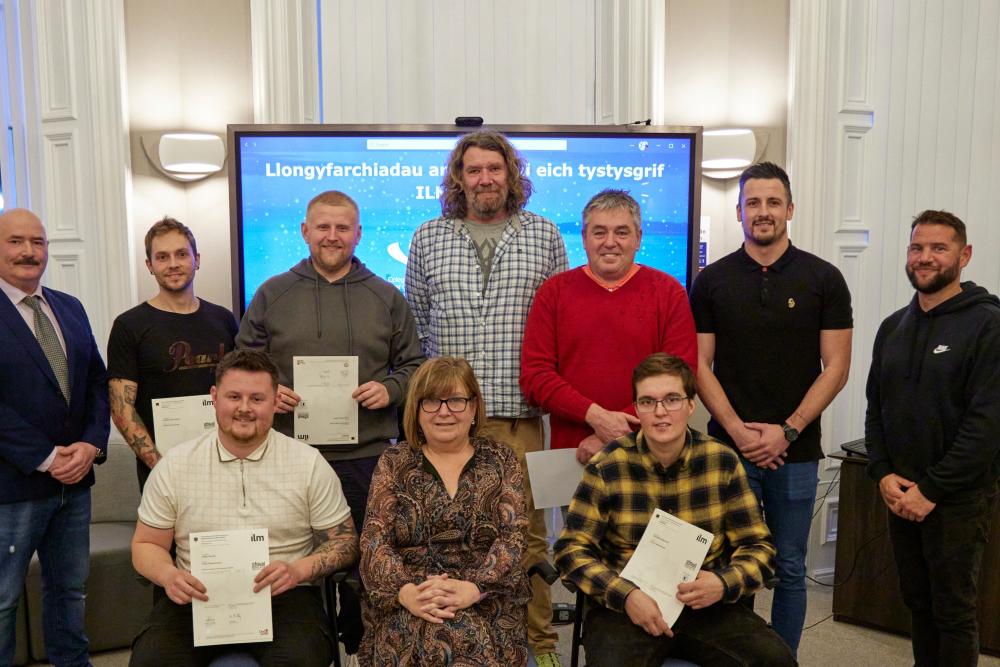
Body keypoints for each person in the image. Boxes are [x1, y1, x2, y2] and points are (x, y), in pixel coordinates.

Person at [405, 130, 567, 665]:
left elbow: (557, 326)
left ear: (511, 174)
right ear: (459, 178)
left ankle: (539, 644)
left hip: (521, 418)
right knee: (450, 537)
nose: (485, 179)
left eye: (494, 169)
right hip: (449, 422)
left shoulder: (543, 235)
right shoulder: (429, 237)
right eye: (473, 170)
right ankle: (463, 639)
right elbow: (418, 325)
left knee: (529, 537)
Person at [237, 189, 423, 652]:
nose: (332, 236)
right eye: (323, 227)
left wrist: (391, 390)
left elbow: (414, 366)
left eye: (343, 228)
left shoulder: (386, 297)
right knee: (295, 559)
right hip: (289, 456)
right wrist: (269, 391)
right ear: (305, 232)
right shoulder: (272, 293)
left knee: (367, 560)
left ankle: (365, 645)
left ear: (359, 234)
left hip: (367, 456)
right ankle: (306, 643)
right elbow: (243, 361)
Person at [689, 161, 852, 655]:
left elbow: (837, 366)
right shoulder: (711, 280)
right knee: (730, 563)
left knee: (791, 567)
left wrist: (788, 429)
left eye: (773, 202)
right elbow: (698, 364)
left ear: (790, 209)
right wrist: (738, 431)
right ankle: (739, 658)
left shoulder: (824, 278)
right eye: (753, 203)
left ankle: (781, 660)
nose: (763, 212)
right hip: (727, 451)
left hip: (796, 453)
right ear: (740, 210)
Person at [555, 354, 794, 666]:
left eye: (672, 399)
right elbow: (571, 551)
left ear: (691, 405)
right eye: (648, 402)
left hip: (704, 605)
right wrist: (626, 595)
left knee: (776, 660)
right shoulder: (608, 465)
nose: (660, 412)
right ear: (636, 409)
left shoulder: (721, 461)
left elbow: (759, 548)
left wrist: (723, 583)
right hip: (629, 608)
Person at [129, 349, 359, 666]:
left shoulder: (308, 463)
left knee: (296, 660)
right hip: (197, 594)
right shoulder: (175, 465)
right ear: (214, 397)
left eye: (257, 398)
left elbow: (345, 542)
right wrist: (168, 575)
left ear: (275, 400)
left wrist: (297, 570)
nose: (244, 409)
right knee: (152, 661)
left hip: (285, 595)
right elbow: (145, 545)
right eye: (234, 396)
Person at [865, 210, 1000, 666]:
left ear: (964, 256)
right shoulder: (892, 328)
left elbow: (987, 426)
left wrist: (932, 489)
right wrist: (882, 474)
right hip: (901, 494)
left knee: (954, 612)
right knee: (917, 605)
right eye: (916, 248)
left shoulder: (988, 325)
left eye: (938, 248)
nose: (924, 258)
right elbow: (875, 411)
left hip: (957, 500)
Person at [359, 356, 531, 666]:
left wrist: (474, 588)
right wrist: (406, 592)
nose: (444, 412)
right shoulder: (394, 462)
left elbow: (513, 538)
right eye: (431, 401)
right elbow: (374, 542)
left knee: (466, 638)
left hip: (486, 596)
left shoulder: (501, 459)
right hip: (410, 595)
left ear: (474, 406)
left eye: (455, 401)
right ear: (416, 408)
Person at [0, 208, 110, 666]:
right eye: (15, 241)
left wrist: (91, 444)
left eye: (38, 242)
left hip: (74, 484)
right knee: (2, 600)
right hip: (13, 487)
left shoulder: (69, 306)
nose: (29, 252)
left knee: (69, 592)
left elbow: (96, 385)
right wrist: (45, 457)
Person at [521, 188, 697, 464]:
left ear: (638, 238)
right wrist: (596, 417)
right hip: (576, 455)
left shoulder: (668, 292)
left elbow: (682, 375)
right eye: (600, 232)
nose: (610, 242)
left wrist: (615, 433)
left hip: (652, 453)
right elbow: (536, 377)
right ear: (584, 238)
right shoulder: (552, 293)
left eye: (622, 232)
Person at [108, 217, 237, 491]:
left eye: (181, 254)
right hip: (162, 472)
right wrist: (159, 464)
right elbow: (121, 408)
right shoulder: (129, 326)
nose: (173, 264)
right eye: (162, 257)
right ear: (150, 265)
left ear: (196, 259)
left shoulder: (224, 320)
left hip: (226, 463)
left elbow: (238, 391)